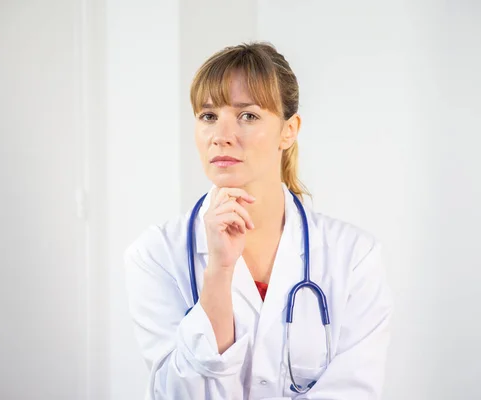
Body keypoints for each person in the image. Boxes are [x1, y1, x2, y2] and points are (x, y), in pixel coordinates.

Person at [124, 42, 393, 400]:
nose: (222, 135)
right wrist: (218, 272)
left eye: (247, 116)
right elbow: (176, 395)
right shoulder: (155, 255)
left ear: (289, 130)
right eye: (208, 116)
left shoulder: (354, 257)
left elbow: (353, 392)